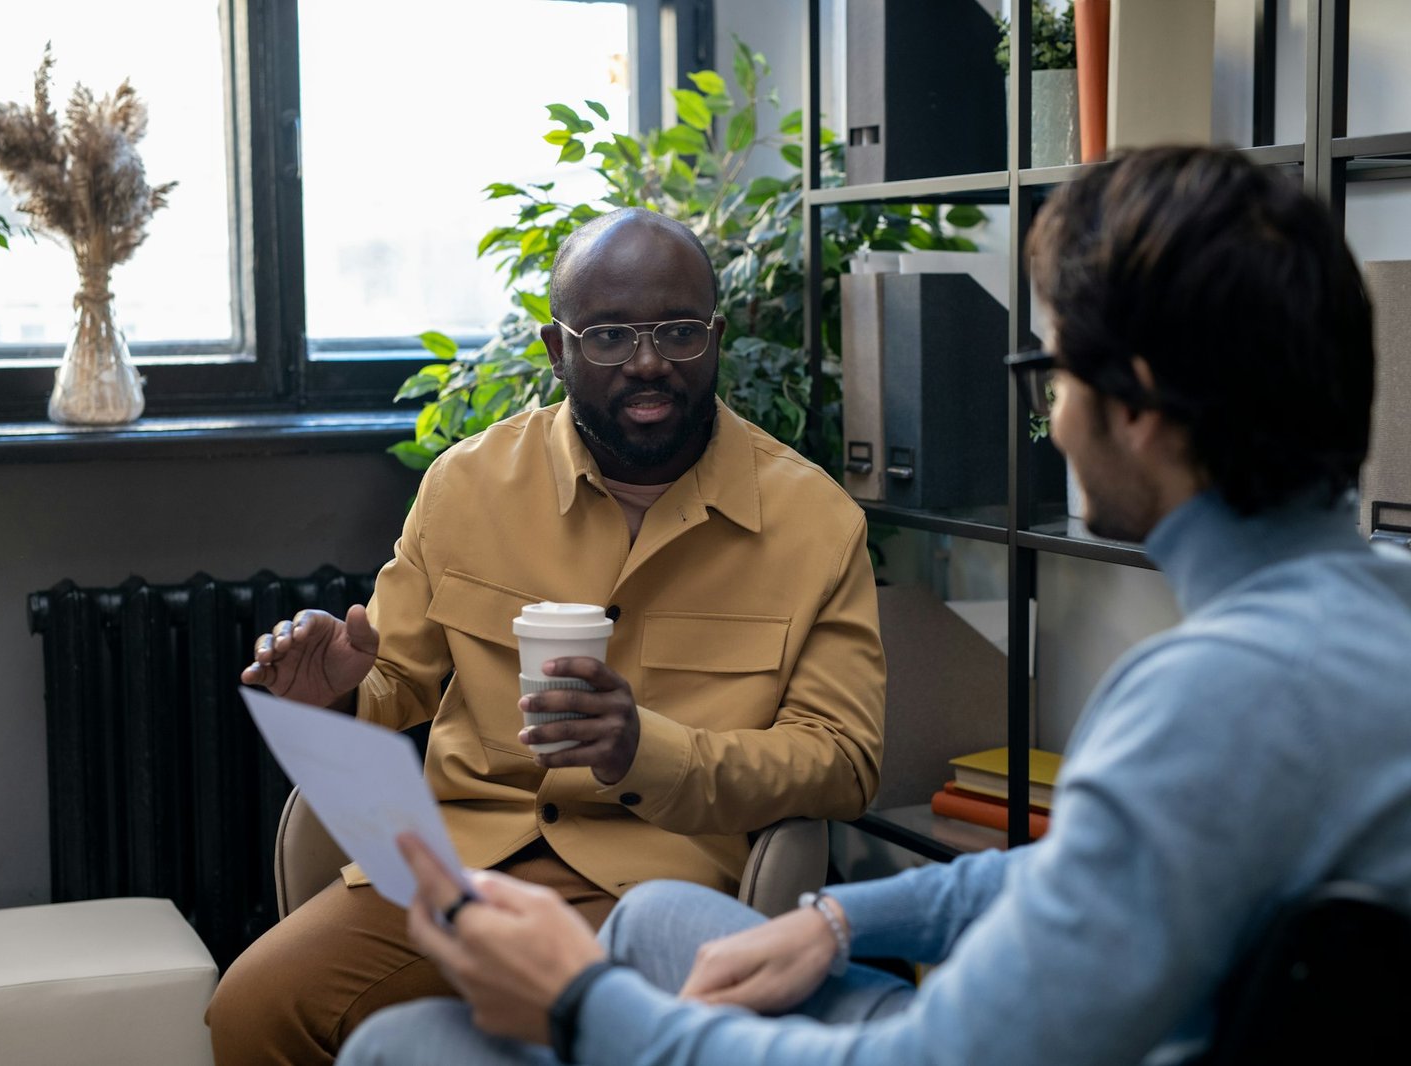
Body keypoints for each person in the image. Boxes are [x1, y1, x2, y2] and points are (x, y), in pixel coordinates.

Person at [337, 145, 1411, 1066]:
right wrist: (850, 911)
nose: (1051, 409)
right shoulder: (1369, 620)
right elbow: (1109, 864)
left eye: (1052, 369)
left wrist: (582, 1004)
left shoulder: (1208, 696)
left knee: (401, 1045)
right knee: (663, 915)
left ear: (1131, 405)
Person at [205, 207, 886, 1064]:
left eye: (678, 332)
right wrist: (334, 696)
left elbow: (844, 761)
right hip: (456, 873)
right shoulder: (469, 485)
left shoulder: (813, 521)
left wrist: (647, 749)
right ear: (556, 349)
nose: (648, 363)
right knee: (255, 1008)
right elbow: (396, 684)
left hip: (653, 885)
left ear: (715, 337)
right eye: (607, 337)